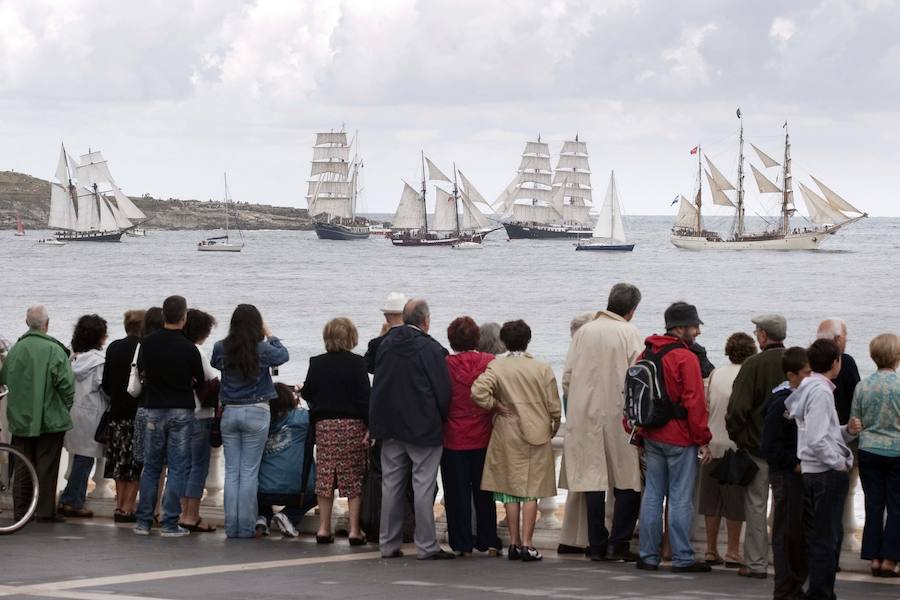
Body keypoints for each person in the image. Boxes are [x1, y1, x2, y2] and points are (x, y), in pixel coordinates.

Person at [560, 283, 643, 562]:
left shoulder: (583, 332)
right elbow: (638, 376)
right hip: (619, 415)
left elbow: (568, 377)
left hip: (585, 414)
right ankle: (619, 542)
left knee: (592, 478)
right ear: (632, 310)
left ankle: (596, 544)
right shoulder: (629, 333)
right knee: (627, 479)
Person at [369, 298, 454, 560]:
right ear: (425, 321)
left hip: (390, 426)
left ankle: (388, 543)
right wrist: (440, 417)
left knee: (391, 485)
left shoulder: (385, 345)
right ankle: (426, 545)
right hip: (423, 428)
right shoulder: (432, 349)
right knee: (423, 486)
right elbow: (443, 391)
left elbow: (377, 380)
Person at [472, 319, 561, 563]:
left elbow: (478, 392)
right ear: (528, 340)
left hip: (507, 433)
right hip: (535, 432)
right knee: (531, 491)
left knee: (511, 491)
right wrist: (553, 425)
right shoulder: (542, 368)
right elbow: (554, 405)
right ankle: (528, 545)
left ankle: (513, 543)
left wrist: (496, 406)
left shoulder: (497, 367)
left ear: (504, 341)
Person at [633, 301, 713, 573]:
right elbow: (695, 402)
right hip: (679, 437)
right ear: (679, 328)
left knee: (653, 494)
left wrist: (635, 430)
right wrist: (703, 438)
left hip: (651, 434)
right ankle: (682, 557)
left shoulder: (645, 353)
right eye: (694, 326)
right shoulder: (685, 358)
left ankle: (647, 555)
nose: (697, 332)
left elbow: (633, 393)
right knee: (680, 497)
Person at [785, 339, 862, 600]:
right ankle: (820, 593)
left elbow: (818, 433)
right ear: (835, 362)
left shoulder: (810, 388)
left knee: (824, 535)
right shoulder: (820, 392)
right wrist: (838, 462)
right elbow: (817, 438)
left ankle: (820, 590)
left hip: (814, 470)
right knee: (826, 537)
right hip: (824, 472)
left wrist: (846, 431)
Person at [211, 303, 289, 539]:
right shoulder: (263, 349)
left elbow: (215, 363)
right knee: (249, 472)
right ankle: (245, 527)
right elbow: (283, 355)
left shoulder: (220, 347)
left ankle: (232, 526)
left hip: (230, 412)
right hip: (256, 410)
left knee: (232, 472)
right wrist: (270, 333)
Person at [134, 295, 206, 537]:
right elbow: (200, 378)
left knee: (151, 466)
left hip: (154, 408)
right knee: (177, 467)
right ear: (184, 317)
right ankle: (169, 522)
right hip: (181, 410)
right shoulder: (189, 348)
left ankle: (143, 521)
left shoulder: (148, 343)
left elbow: (142, 371)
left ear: (164, 315)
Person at [726, 314, 788, 579]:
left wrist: (740, 437)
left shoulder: (753, 365)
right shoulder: (795, 361)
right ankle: (786, 562)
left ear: (763, 335)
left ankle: (756, 563)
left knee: (756, 506)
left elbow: (737, 408)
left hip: (758, 447)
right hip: (788, 450)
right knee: (785, 508)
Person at [0, 305, 75, 522]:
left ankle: (22, 510)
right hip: (50, 418)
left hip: (21, 417)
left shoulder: (16, 349)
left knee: (23, 465)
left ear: (26, 324)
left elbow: (4, 378)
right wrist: (64, 408)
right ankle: (43, 511)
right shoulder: (54, 350)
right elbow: (66, 386)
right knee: (47, 465)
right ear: (47, 324)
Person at [301, 317, 370, 545]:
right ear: (351, 337)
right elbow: (364, 399)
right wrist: (371, 427)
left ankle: (323, 528)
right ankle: (354, 530)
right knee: (354, 478)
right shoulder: (358, 363)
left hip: (325, 425)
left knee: (326, 475)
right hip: (352, 425)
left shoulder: (317, 362)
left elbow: (308, 393)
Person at [441, 316, 502, 557]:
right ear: (477, 338)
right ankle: (488, 540)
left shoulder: (445, 364)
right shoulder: (489, 362)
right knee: (484, 492)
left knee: (457, 494)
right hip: (483, 435)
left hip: (453, 436)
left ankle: (462, 543)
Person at [699, 332, 756, 567]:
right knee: (735, 501)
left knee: (711, 501)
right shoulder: (749, 374)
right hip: (736, 446)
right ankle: (733, 551)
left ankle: (711, 550)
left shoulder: (716, 374)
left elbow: (705, 405)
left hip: (712, 443)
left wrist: (703, 441)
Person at [762, 347, 812, 600]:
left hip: (797, 473)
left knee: (798, 532)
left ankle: (794, 584)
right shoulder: (781, 401)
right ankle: (785, 588)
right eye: (806, 373)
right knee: (786, 532)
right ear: (792, 375)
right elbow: (769, 444)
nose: (810, 377)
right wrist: (792, 463)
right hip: (786, 474)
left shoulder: (800, 396)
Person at [850, 333, 900, 577]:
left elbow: (855, 421)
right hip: (897, 451)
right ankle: (890, 558)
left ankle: (874, 557)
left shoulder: (863, 386)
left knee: (874, 504)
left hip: (869, 449)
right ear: (897, 357)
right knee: (897, 505)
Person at [817, 317, 861, 561]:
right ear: (836, 339)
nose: (847, 341)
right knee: (841, 496)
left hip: (824, 444)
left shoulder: (808, 366)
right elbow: (856, 398)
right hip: (840, 443)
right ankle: (836, 549)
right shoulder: (847, 363)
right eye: (845, 336)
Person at [58, 314, 109, 518]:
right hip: (92, 413)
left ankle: (73, 498)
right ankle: (72, 501)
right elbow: (105, 389)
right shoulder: (99, 362)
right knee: (84, 459)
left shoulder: (71, 358)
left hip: (72, 411)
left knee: (79, 456)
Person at [557, 312, 596, 555]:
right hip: (587, 428)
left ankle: (571, 537)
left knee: (577, 487)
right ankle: (585, 538)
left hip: (575, 428)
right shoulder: (588, 360)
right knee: (592, 485)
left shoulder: (573, 359)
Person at [101, 309, 145, 522]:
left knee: (119, 462)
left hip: (116, 414)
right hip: (136, 413)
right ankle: (128, 506)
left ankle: (119, 505)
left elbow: (106, 385)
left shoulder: (113, 347)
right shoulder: (144, 348)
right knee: (136, 462)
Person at [257, 383, 317, 537]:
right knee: (322, 490)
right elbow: (319, 411)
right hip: (297, 492)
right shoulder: (302, 419)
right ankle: (289, 516)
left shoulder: (261, 422)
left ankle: (262, 517)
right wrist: (303, 394)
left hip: (262, 492)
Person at [178, 309, 218, 533]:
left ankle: (182, 510)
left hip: (180, 412)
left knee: (182, 465)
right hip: (199, 413)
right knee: (198, 466)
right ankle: (191, 514)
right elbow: (210, 378)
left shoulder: (176, 349)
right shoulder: (196, 351)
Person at [132, 307, 164, 468]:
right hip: (161, 409)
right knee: (160, 464)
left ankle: (147, 494)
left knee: (144, 463)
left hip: (142, 407)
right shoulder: (165, 346)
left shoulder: (141, 346)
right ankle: (157, 494)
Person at [364, 292, 408, 374]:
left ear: (386, 317)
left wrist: (380, 336)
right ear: (407, 315)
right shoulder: (420, 341)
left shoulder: (376, 344)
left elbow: (369, 367)